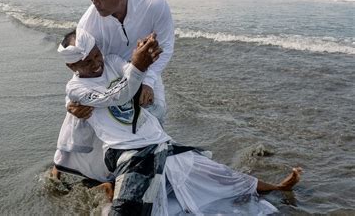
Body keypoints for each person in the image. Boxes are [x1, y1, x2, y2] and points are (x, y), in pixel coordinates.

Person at [54, 29, 302, 215]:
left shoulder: (111, 61)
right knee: (128, 209)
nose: (97, 63)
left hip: (157, 140)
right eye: (87, 62)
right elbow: (116, 95)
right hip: (124, 151)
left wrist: (144, 59)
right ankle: (111, 189)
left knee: (216, 173)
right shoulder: (76, 88)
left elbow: (132, 72)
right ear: (70, 65)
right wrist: (138, 67)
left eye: (96, 54)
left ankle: (277, 188)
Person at [53, 0, 175, 183]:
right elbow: (80, 69)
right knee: (96, 124)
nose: (94, 3)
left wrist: (147, 81)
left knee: (153, 120)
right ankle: (75, 169)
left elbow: (166, 47)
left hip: (146, 74)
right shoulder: (88, 23)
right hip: (103, 80)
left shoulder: (154, 4)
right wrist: (71, 104)